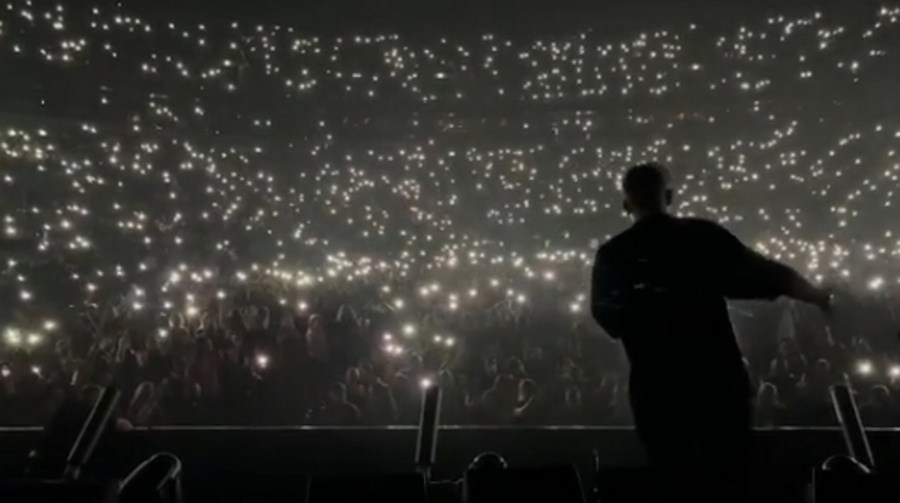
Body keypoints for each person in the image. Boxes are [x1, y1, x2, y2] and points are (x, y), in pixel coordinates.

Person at [590, 163, 832, 502]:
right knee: (728, 480)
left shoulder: (613, 255)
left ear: (626, 204)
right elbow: (765, 274)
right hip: (718, 383)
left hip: (658, 390)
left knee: (673, 482)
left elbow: (607, 316)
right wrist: (817, 296)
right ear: (669, 196)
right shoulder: (702, 237)